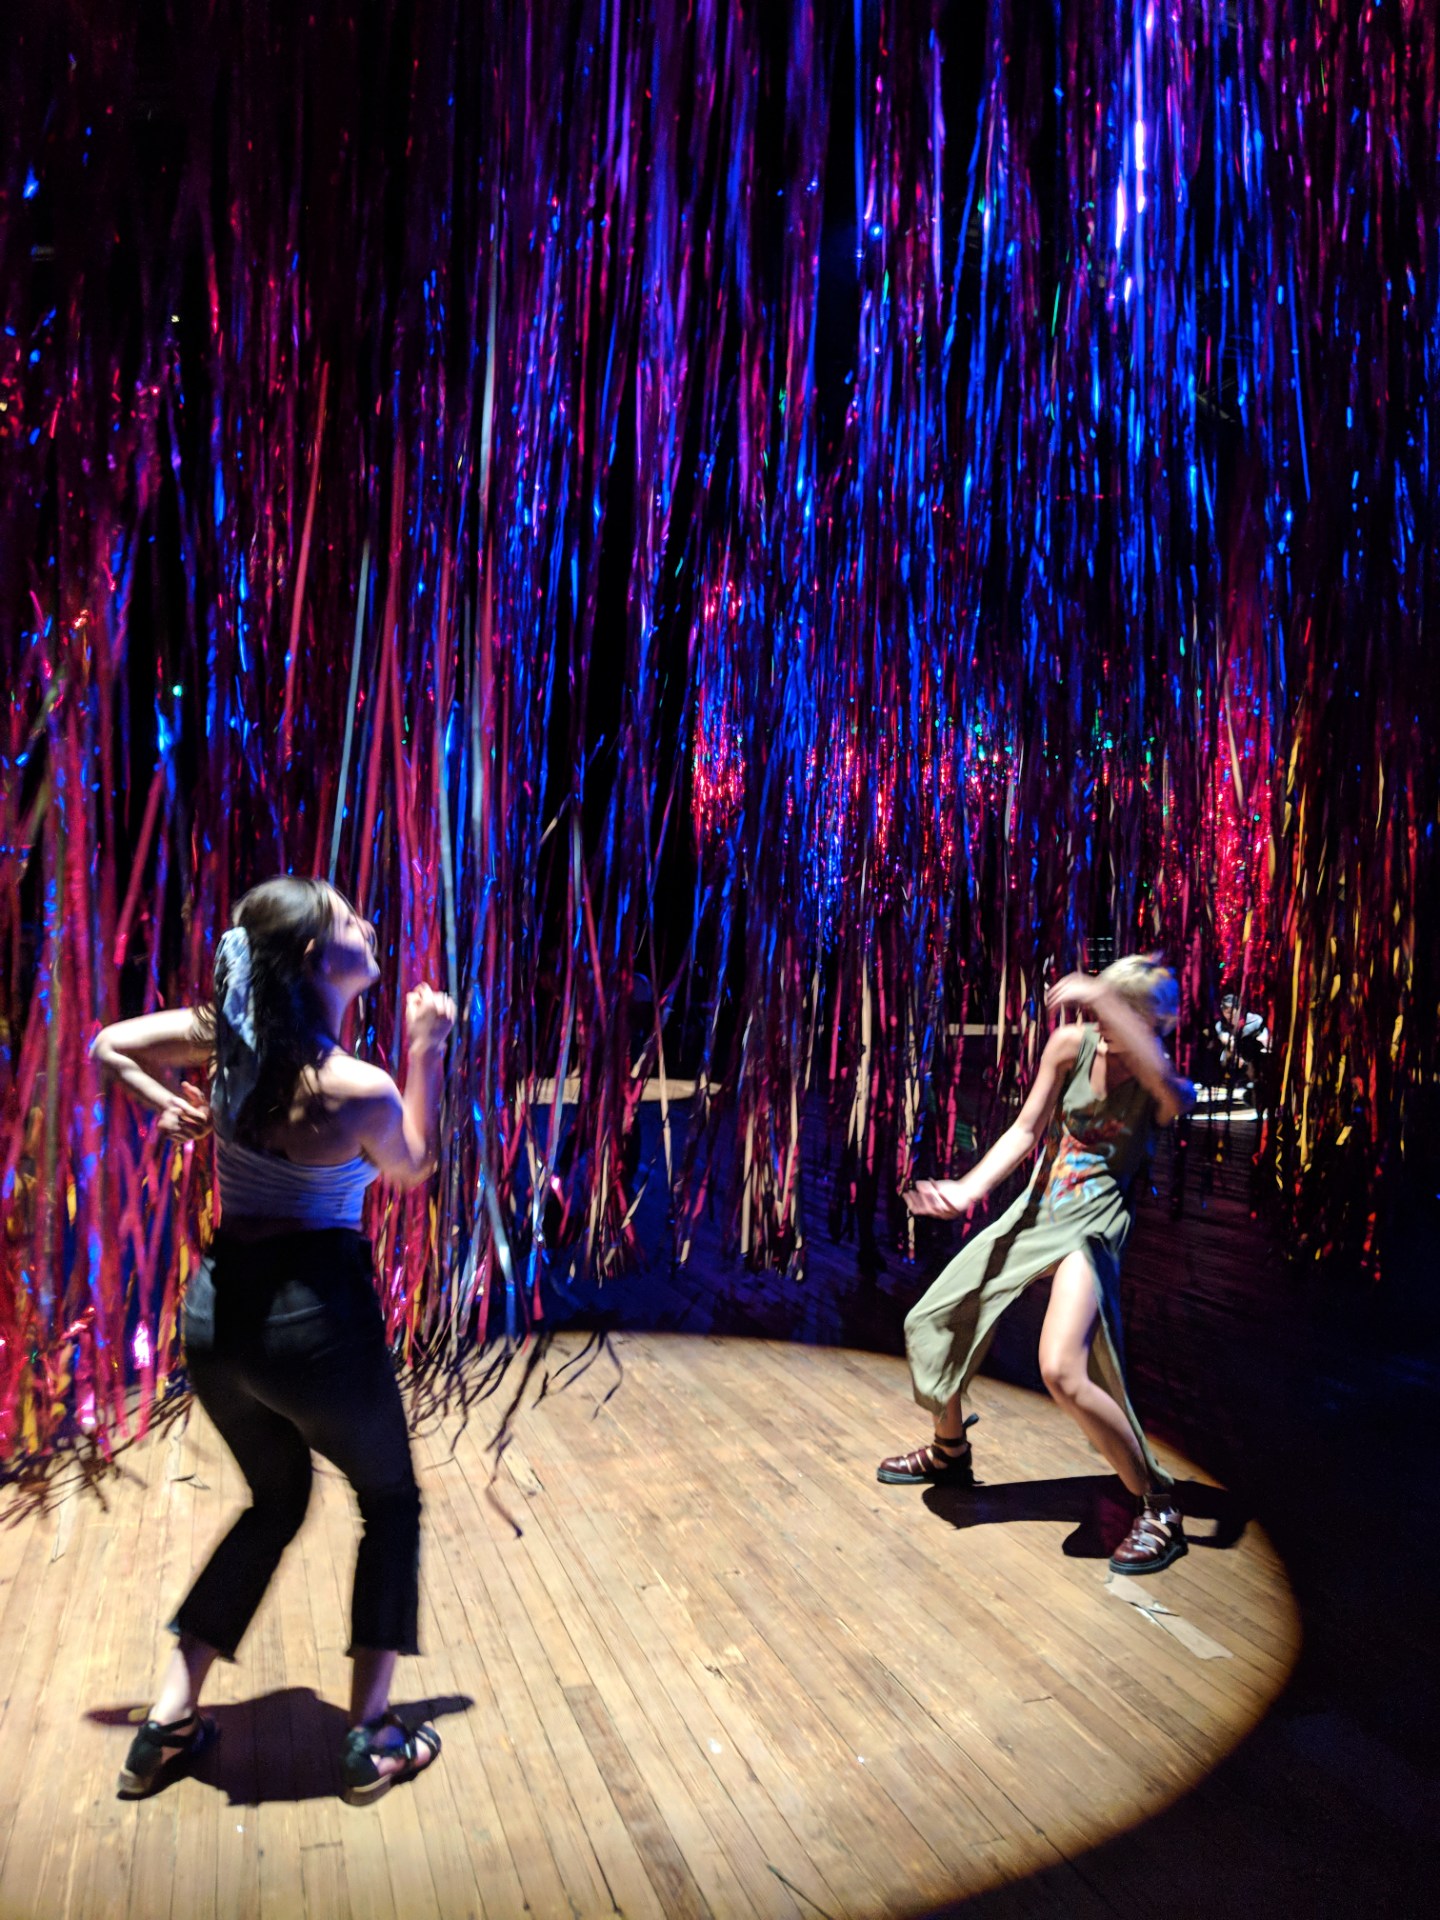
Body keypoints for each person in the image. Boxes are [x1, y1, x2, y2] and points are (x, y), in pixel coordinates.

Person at [90, 876, 456, 1801]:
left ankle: (168, 1721)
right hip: (313, 1321)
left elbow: (108, 1045)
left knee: (276, 1500)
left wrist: (165, 1100)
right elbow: (413, 1166)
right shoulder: (356, 1088)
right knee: (390, 1503)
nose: (367, 924)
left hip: (217, 1319)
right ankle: (372, 1737)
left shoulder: (227, 1040)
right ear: (316, 959)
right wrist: (426, 1051)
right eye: (347, 918)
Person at [879, 955, 1195, 1574]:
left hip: (1092, 1227)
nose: (1102, 1022)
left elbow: (1164, 1078)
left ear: (1152, 1024)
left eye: (1120, 1012)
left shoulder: (1163, 1086)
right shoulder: (1071, 1046)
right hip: (1037, 1210)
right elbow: (1026, 1130)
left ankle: (1159, 1507)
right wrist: (967, 1190)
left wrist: (1099, 995)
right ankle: (949, 1450)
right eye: (1102, 1009)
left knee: (1062, 1369)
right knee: (934, 1319)